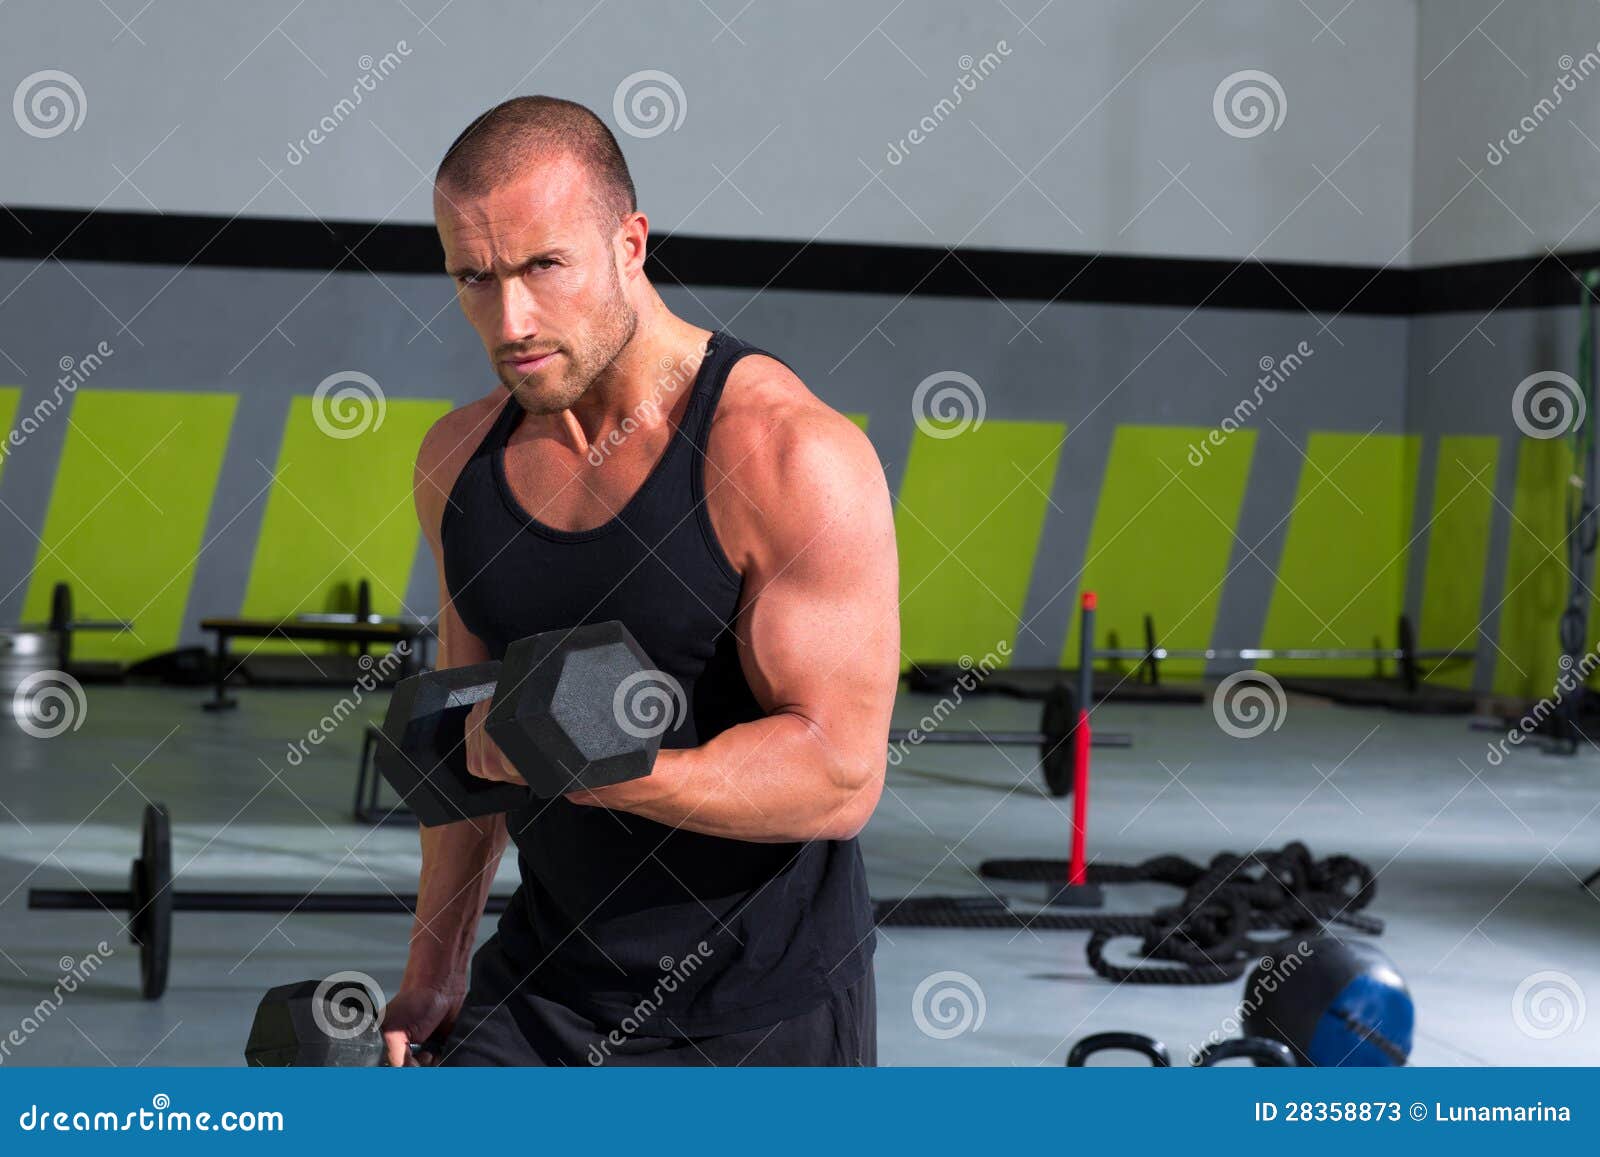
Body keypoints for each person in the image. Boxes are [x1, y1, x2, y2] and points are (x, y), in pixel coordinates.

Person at [379, 96, 900, 1067]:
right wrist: (436, 962)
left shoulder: (785, 453)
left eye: (543, 266)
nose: (512, 318)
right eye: (474, 277)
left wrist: (613, 768)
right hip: (543, 988)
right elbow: (466, 741)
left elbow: (838, 772)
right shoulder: (458, 460)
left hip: (759, 1012)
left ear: (630, 242)